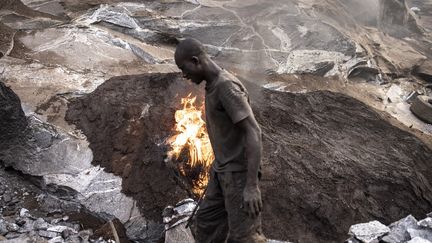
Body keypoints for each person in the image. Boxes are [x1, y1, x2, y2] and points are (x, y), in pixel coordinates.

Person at [174, 38, 266, 243]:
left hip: (238, 175)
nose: (184, 75)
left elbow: (253, 131)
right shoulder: (212, 85)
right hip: (221, 172)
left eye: (184, 68)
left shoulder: (227, 87)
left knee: (245, 237)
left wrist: (251, 186)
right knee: (207, 223)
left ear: (195, 60)